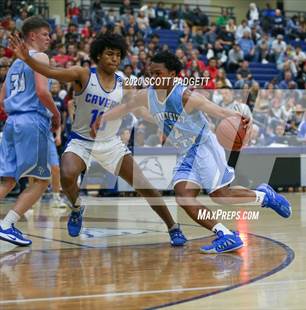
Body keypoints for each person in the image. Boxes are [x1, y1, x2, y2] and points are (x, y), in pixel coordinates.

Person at [94, 51, 292, 254]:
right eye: (151, 73)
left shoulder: (186, 96)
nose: (153, 77)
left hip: (204, 147)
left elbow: (218, 111)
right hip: (184, 153)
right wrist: (103, 118)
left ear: (172, 74)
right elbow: (127, 106)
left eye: (158, 73)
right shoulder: (147, 94)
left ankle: (264, 196)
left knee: (220, 196)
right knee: (183, 197)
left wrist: (240, 117)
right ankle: (225, 235)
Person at [8, 32, 187, 246]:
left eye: (118, 55)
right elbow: (52, 72)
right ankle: (77, 207)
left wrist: (164, 125)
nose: (114, 59)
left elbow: (137, 108)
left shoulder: (124, 82)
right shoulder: (82, 74)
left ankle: (173, 227)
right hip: (81, 141)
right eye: (109, 54)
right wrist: (28, 58)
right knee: (66, 175)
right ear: (98, 56)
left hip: (111, 144)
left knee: (146, 186)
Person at [0, 16, 61, 246]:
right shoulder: (41, 57)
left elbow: (1, 99)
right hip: (32, 120)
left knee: (8, 180)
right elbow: (43, 92)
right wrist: (56, 114)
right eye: (45, 34)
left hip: (11, 122)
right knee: (41, 181)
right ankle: (7, 224)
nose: (49, 38)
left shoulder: (15, 62)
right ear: (33, 36)